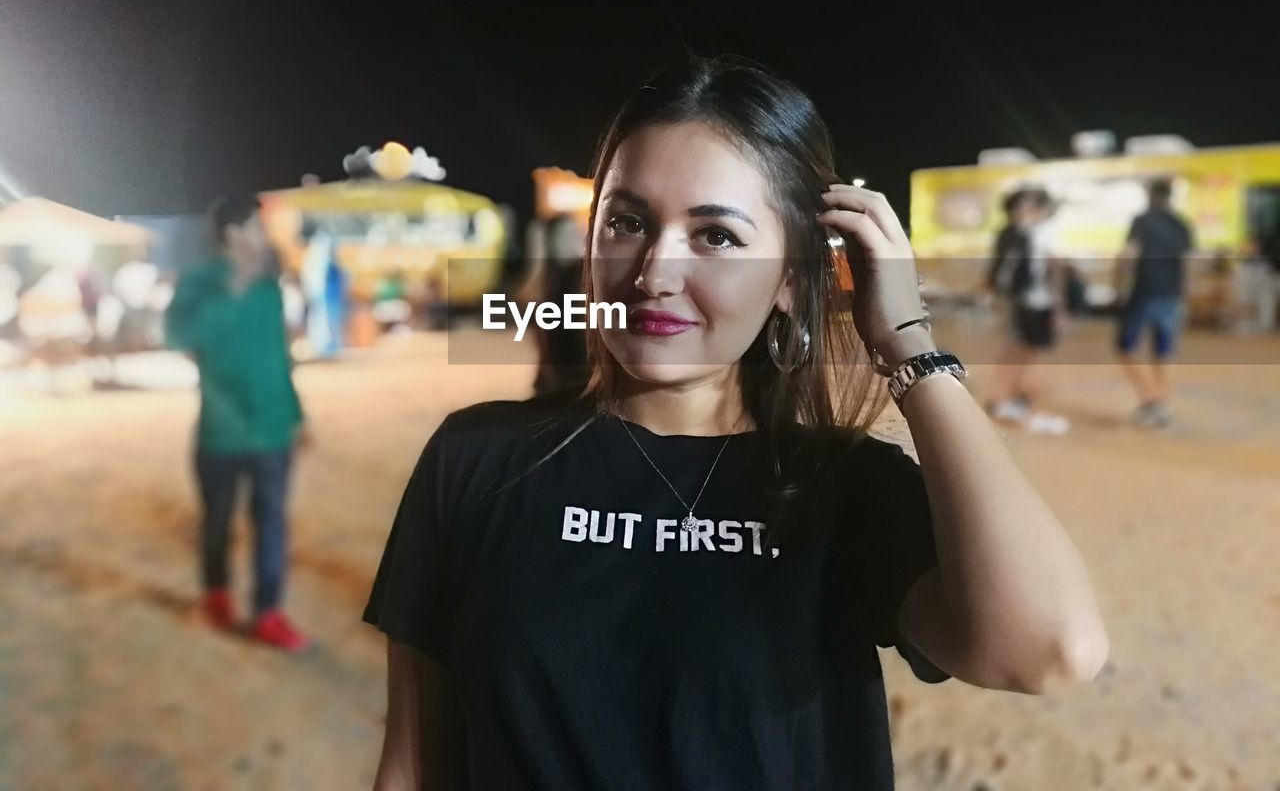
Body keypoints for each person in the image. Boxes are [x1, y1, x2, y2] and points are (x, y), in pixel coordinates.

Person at [363, 57, 1107, 791]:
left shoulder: (841, 488)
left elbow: (1050, 649)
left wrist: (908, 342)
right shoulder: (477, 460)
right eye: (627, 221)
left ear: (790, 277)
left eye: (716, 236)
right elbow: (413, 765)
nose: (654, 273)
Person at [166, 194, 311, 651]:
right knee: (218, 520)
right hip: (221, 431)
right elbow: (179, 335)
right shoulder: (201, 282)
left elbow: (279, 359)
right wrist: (232, 293)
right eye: (256, 227)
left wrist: (297, 415)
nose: (263, 236)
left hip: (271, 431)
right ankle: (217, 595)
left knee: (271, 522)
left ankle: (268, 611)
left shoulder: (269, 289)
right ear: (232, 233)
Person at [985, 187, 1070, 434]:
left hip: (1020, 302)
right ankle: (1033, 411)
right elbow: (1055, 272)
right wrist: (1060, 308)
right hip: (1032, 304)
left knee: (1018, 353)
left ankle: (1005, 401)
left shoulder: (1013, 233)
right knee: (1036, 356)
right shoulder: (1036, 233)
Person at [1114, 178, 1195, 428]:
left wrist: (1117, 285)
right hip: (1172, 294)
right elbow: (1187, 262)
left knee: (1125, 347)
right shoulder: (1182, 223)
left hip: (1145, 292)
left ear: (1149, 194)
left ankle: (1151, 398)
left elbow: (1128, 254)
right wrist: (1185, 295)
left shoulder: (1142, 221)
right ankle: (1163, 405)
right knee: (1164, 351)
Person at [531, 213, 590, 396]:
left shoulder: (577, 276)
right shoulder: (557, 279)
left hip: (567, 384)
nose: (576, 240)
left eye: (576, 233)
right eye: (567, 235)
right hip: (562, 385)